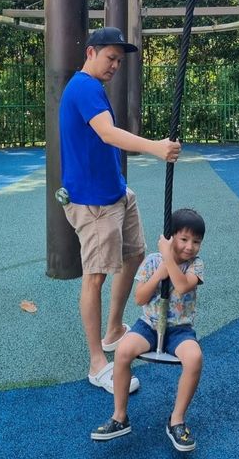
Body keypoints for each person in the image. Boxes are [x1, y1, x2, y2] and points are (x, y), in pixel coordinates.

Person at [59, 26, 181, 396]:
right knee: (94, 277)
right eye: (111, 58)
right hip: (93, 204)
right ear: (92, 52)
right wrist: (157, 148)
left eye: (119, 60)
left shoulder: (93, 88)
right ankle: (97, 363)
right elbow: (109, 134)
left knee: (135, 255)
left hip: (116, 193)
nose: (115, 66)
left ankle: (113, 330)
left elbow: (105, 142)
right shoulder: (83, 87)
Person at [91, 208, 206, 453]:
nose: (190, 247)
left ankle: (176, 420)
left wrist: (170, 260)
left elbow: (183, 286)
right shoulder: (153, 260)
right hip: (150, 325)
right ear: (170, 237)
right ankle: (120, 416)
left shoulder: (196, 265)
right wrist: (160, 271)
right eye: (184, 239)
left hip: (179, 331)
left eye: (196, 242)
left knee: (194, 358)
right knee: (123, 351)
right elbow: (140, 298)